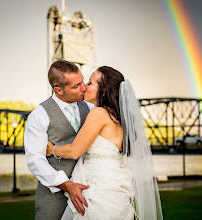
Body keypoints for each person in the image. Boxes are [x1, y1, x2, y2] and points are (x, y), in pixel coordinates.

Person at [47, 66, 163, 220]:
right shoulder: (123, 121)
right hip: (117, 196)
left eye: (89, 83)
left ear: (102, 92)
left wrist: (51, 150)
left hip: (96, 194)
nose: (84, 87)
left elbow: (75, 151)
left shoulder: (99, 113)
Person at [24, 60, 94, 220]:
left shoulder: (90, 108)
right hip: (54, 194)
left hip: (89, 191)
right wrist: (67, 185)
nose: (83, 87)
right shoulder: (39, 115)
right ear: (58, 90)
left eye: (82, 81)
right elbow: (35, 160)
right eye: (76, 86)